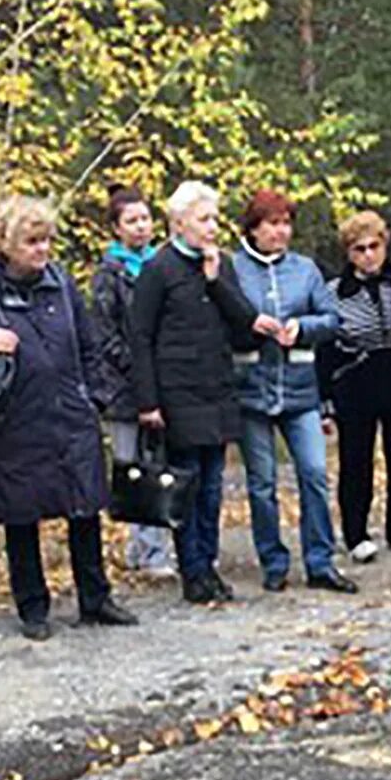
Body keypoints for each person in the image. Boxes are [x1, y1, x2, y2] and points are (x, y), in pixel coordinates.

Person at [0, 195, 136, 639]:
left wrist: (94, 398)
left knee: (84, 508)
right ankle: (33, 607)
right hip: (13, 421)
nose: (42, 250)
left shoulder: (61, 285)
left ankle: (95, 597)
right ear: (6, 243)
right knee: (21, 516)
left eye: (46, 240)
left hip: (70, 414)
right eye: (32, 241)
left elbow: (89, 345)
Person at [129, 181, 261, 603]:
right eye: (204, 219)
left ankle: (209, 563)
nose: (212, 227)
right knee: (187, 482)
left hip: (217, 388)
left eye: (214, 219)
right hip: (177, 392)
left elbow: (246, 321)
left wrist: (214, 280)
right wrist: (148, 401)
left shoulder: (221, 264)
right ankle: (193, 571)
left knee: (213, 485)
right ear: (179, 222)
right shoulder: (158, 269)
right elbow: (140, 337)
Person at [230, 190, 355, 594]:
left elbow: (333, 319)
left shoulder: (306, 270)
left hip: (301, 391)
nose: (281, 232)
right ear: (253, 229)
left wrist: (302, 328)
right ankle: (274, 561)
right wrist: (252, 325)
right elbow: (221, 321)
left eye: (286, 223)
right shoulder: (233, 269)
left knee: (315, 474)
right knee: (262, 482)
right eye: (272, 224)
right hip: (251, 389)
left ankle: (320, 562)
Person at [319, 211, 391, 563]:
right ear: (348, 253)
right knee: (356, 462)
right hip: (356, 384)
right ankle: (355, 534)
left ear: (385, 244)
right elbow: (326, 350)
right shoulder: (335, 293)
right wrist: (326, 402)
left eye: (373, 246)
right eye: (358, 249)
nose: (367, 255)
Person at [89, 187, 176, 579]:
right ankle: (142, 549)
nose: (141, 227)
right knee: (131, 465)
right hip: (122, 387)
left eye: (144, 218)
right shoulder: (108, 274)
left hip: (162, 379)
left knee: (158, 462)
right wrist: (138, 368)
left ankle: (153, 546)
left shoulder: (161, 265)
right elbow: (105, 333)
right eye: (132, 221)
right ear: (116, 228)